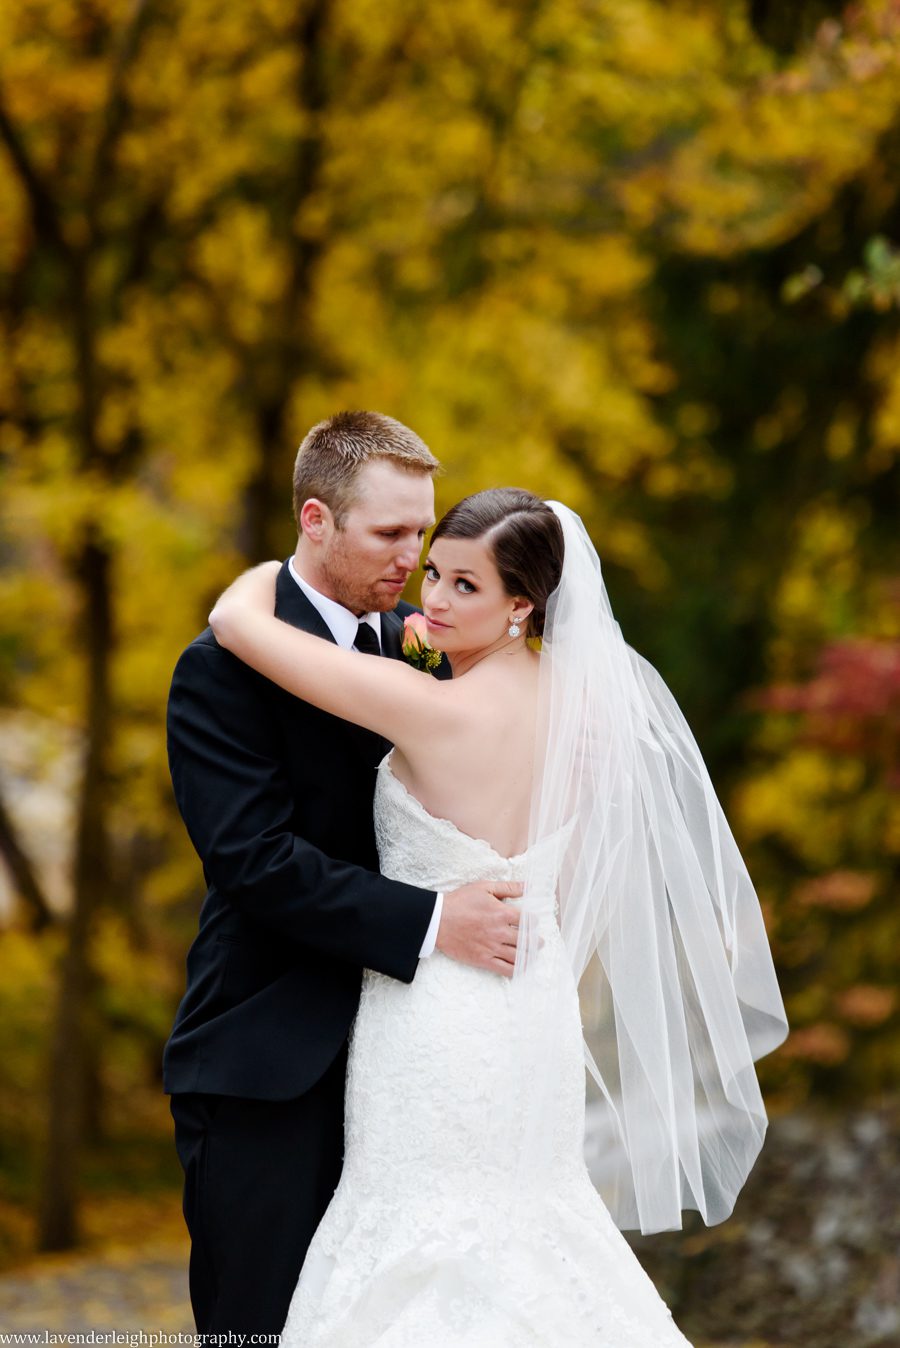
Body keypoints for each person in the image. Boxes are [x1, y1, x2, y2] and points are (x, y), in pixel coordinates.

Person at [210, 486, 789, 1345]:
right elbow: (578, 880)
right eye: (432, 572)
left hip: (437, 1014)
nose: (431, 600)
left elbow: (237, 626)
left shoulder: (433, 711)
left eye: (463, 586)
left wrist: (268, 570)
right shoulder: (588, 712)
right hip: (531, 1001)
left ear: (523, 605)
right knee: (534, 1220)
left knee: (420, 1230)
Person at [163, 412, 525, 1336]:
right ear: (316, 520)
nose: (414, 558)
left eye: (424, 532)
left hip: (418, 1059)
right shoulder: (221, 670)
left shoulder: (424, 642)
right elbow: (254, 861)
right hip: (270, 1058)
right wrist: (437, 921)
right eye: (391, 533)